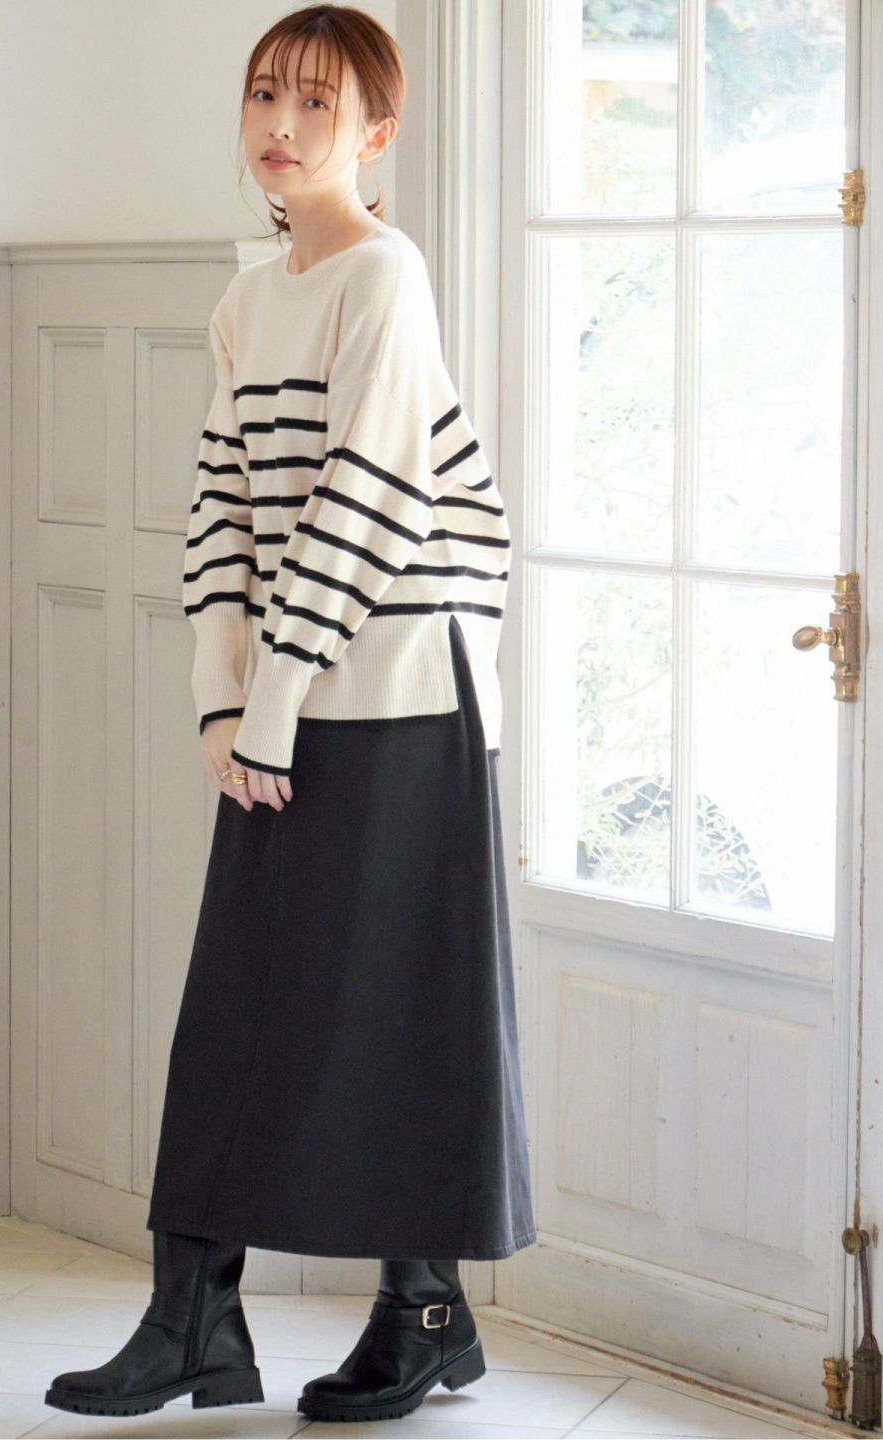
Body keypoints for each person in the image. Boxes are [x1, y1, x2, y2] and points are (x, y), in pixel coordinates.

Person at [46, 2, 535, 1424]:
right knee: (243, 1002)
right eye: (266, 93)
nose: (281, 123)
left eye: (318, 102)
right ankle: (195, 1319)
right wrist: (223, 697)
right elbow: (224, 507)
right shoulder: (250, 298)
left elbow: (367, 501)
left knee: (400, 1002)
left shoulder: (386, 276)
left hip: (403, 690)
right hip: (294, 694)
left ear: (377, 132)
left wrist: (273, 703)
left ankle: (421, 1312)